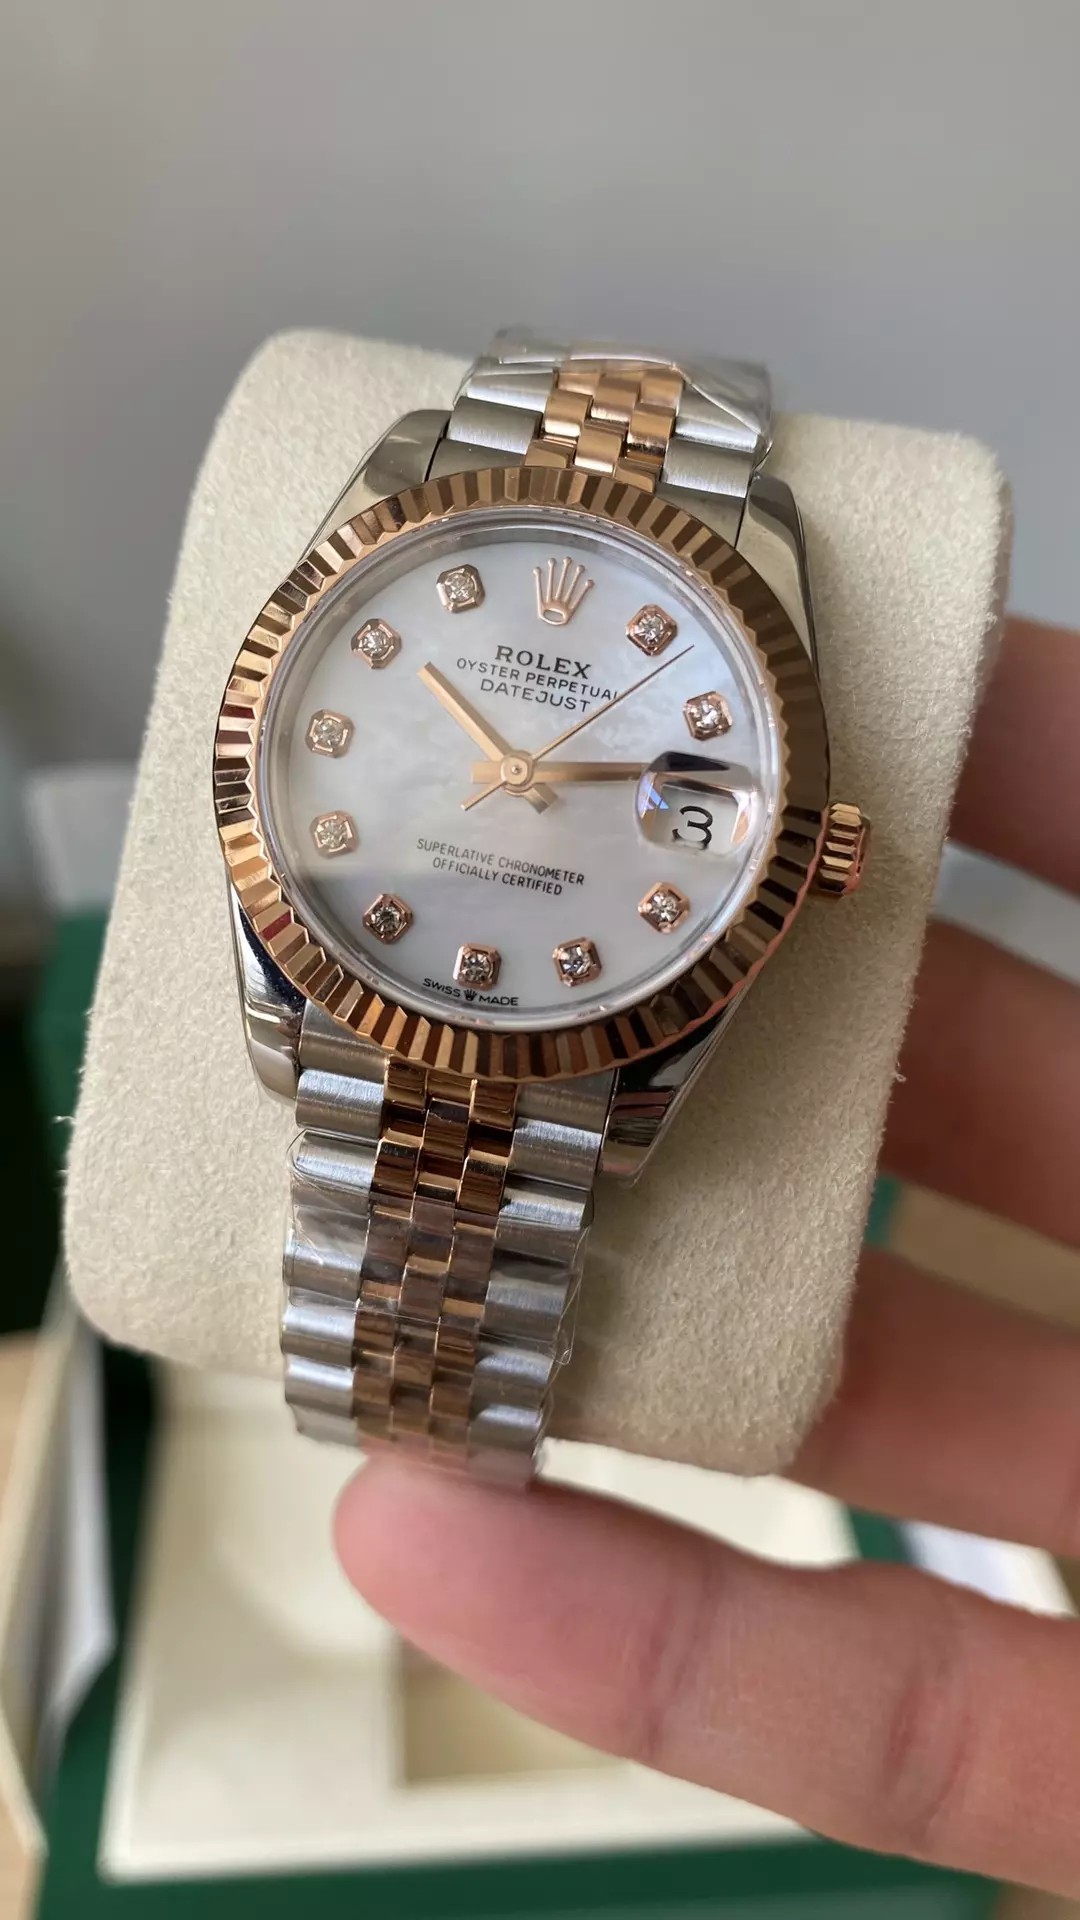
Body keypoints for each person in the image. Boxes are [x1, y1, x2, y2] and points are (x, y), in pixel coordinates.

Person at [334, 617, 1080, 1897]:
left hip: (588, 1033)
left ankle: (425, 1389)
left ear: (817, 850)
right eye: (506, 762)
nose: (515, 771)